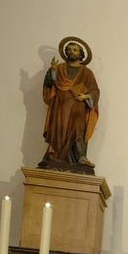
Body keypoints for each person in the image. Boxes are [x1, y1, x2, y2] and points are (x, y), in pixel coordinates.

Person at [41, 36, 99, 171]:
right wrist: (53, 71)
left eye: (75, 50)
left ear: (81, 54)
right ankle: (55, 155)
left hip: (78, 107)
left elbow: (95, 90)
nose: (72, 52)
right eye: (69, 49)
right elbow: (49, 84)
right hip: (60, 107)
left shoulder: (87, 72)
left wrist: (86, 96)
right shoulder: (59, 68)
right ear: (66, 52)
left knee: (78, 130)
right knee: (59, 130)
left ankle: (80, 157)